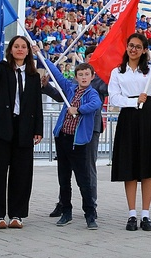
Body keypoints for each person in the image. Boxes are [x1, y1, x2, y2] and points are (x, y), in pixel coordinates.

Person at [108, 33, 151, 231]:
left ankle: (145, 214)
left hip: (148, 116)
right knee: (130, 166)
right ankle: (131, 214)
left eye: (138, 46)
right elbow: (114, 98)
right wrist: (133, 101)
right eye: (131, 45)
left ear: (145, 50)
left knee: (148, 166)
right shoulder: (117, 72)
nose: (134, 49)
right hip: (128, 117)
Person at [0, 31, 44, 230]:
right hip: (2, 127)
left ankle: (17, 214)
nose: (20, 49)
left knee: (22, 173)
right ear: (11, 50)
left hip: (24, 129)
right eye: (16, 46)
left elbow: (36, 104)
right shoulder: (3, 69)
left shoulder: (33, 76)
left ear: (28, 51)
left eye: (23, 46)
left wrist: (38, 129)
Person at [43, 44, 107, 219]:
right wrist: (46, 85)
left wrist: (78, 109)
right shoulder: (74, 81)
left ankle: (90, 205)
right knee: (64, 169)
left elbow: (99, 100)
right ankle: (63, 204)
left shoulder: (101, 79)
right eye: (90, 56)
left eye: (96, 57)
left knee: (87, 168)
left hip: (89, 129)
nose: (84, 76)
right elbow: (60, 95)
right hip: (67, 131)